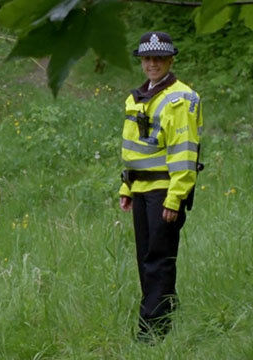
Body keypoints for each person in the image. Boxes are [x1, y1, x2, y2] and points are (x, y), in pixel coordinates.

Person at [119, 32, 203, 341]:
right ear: (141, 61)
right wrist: (127, 188)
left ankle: (152, 332)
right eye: (147, 58)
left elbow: (183, 152)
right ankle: (165, 313)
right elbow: (134, 148)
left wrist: (175, 198)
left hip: (164, 191)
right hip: (141, 190)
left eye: (159, 58)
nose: (152, 64)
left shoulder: (180, 98)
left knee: (158, 259)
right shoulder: (139, 96)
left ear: (170, 59)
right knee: (146, 259)